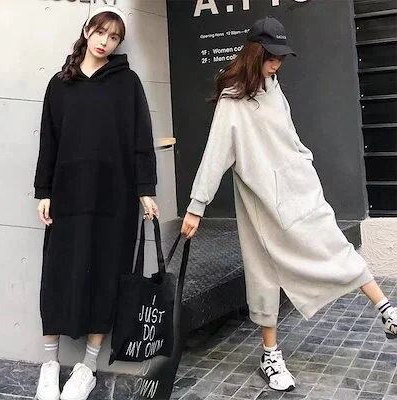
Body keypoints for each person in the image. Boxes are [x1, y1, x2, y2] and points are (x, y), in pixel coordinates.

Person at [181, 16, 397, 392]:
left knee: (333, 244)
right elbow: (215, 155)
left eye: (281, 57)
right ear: (254, 53)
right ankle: (270, 355)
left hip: (300, 190)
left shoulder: (274, 86)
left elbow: (289, 134)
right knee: (263, 276)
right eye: (271, 56)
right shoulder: (233, 99)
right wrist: (196, 207)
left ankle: (386, 310)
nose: (277, 63)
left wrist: (303, 159)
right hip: (261, 201)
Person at [34, 6, 159, 400]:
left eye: (114, 37)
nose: (106, 42)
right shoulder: (60, 85)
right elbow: (49, 141)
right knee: (59, 275)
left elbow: (141, 139)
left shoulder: (127, 83)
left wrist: (145, 189)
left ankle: (86, 369)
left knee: (106, 274)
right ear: (87, 31)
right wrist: (44, 191)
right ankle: (50, 367)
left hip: (114, 199)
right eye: (101, 32)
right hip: (68, 197)